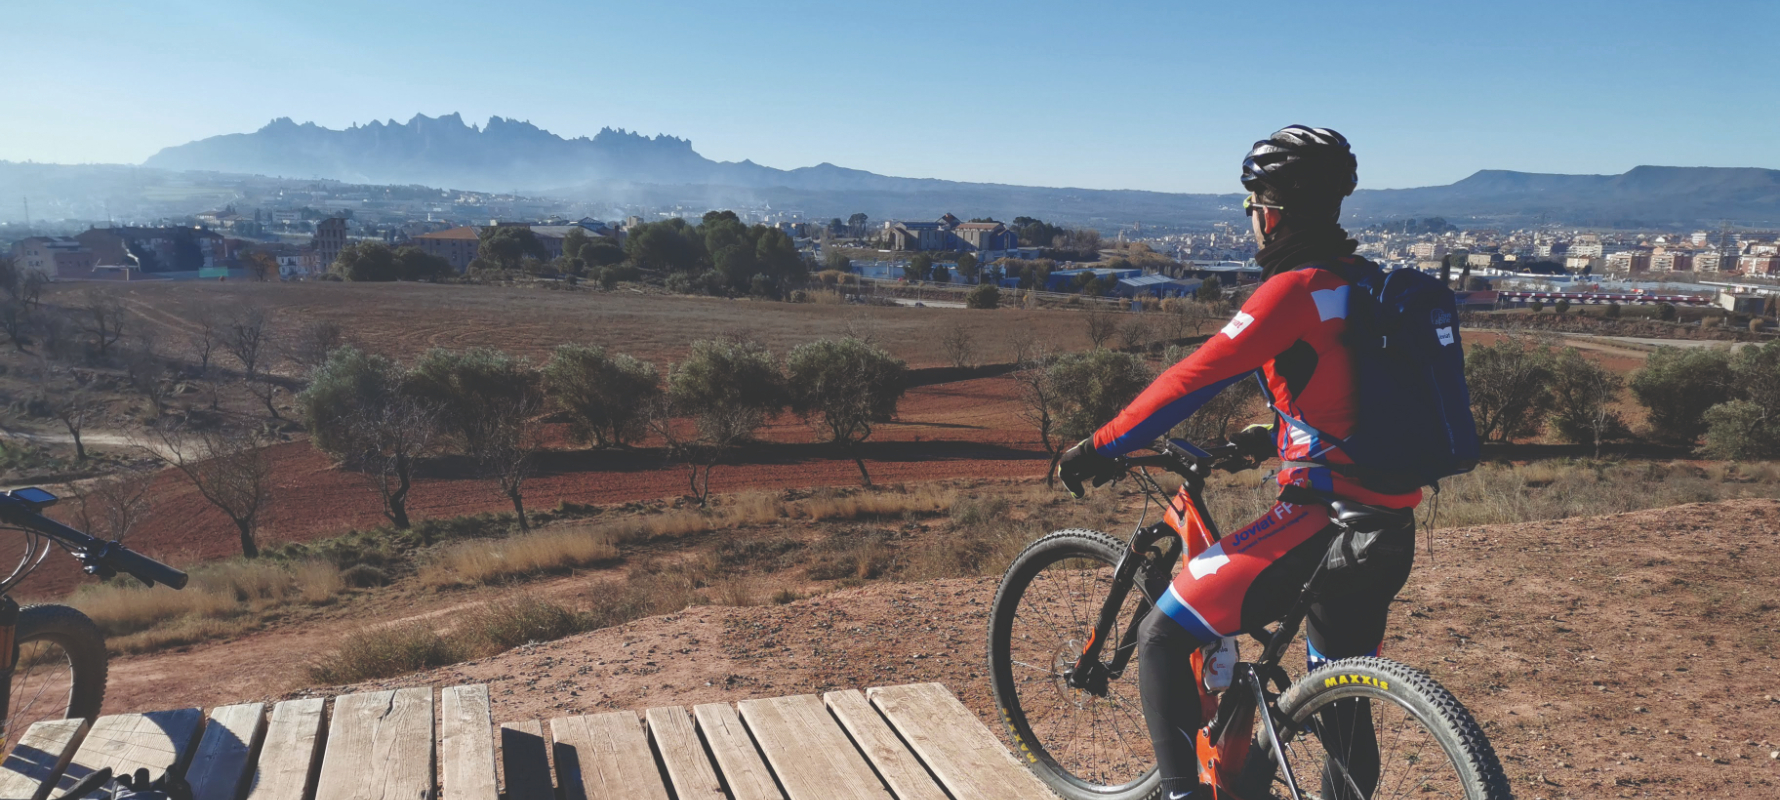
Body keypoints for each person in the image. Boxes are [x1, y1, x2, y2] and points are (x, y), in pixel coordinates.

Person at [1056, 125, 1419, 800]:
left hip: (1320, 523)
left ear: (1274, 208)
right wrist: (1271, 433)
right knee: (1340, 705)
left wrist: (1099, 445)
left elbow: (1191, 379)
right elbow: (1345, 392)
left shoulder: (1294, 290)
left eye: (1254, 202)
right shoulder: (1368, 286)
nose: (1252, 216)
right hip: (1388, 528)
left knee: (1162, 634)